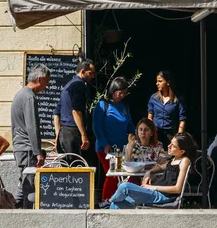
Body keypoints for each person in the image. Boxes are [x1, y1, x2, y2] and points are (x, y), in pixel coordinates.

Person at [109, 133, 196, 209]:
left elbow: (177, 189)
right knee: (115, 205)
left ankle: (108, 201)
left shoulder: (184, 161)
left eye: (173, 146)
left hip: (163, 196)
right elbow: (161, 167)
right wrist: (149, 172)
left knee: (125, 186)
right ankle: (110, 204)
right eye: (170, 143)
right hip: (155, 192)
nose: (168, 146)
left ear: (182, 151)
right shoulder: (174, 159)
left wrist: (152, 187)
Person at [11, 63, 50, 209]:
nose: (46, 87)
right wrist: (38, 152)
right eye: (47, 82)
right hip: (27, 149)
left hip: (20, 147)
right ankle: (26, 217)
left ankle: (15, 211)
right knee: (29, 187)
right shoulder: (29, 97)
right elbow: (31, 126)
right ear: (40, 79)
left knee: (24, 182)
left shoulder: (21, 94)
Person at [92, 76, 136, 205]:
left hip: (121, 148)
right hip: (106, 148)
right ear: (113, 91)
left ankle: (117, 201)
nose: (122, 95)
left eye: (124, 93)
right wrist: (105, 144)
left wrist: (136, 134)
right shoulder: (102, 105)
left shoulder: (124, 106)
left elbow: (129, 123)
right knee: (112, 175)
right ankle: (106, 201)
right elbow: (97, 127)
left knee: (120, 175)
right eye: (120, 93)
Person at [54, 59, 96, 158]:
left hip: (64, 133)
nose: (92, 76)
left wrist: (58, 135)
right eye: (91, 73)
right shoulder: (79, 85)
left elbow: (56, 113)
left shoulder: (67, 86)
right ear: (82, 72)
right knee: (76, 169)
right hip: (73, 133)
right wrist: (83, 135)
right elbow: (76, 111)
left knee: (67, 169)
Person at [148, 70, 186, 148]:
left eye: (160, 81)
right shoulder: (154, 98)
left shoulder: (178, 99)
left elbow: (182, 119)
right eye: (157, 81)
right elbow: (150, 117)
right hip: (156, 133)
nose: (157, 83)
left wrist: (178, 137)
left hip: (170, 134)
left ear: (168, 82)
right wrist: (151, 129)